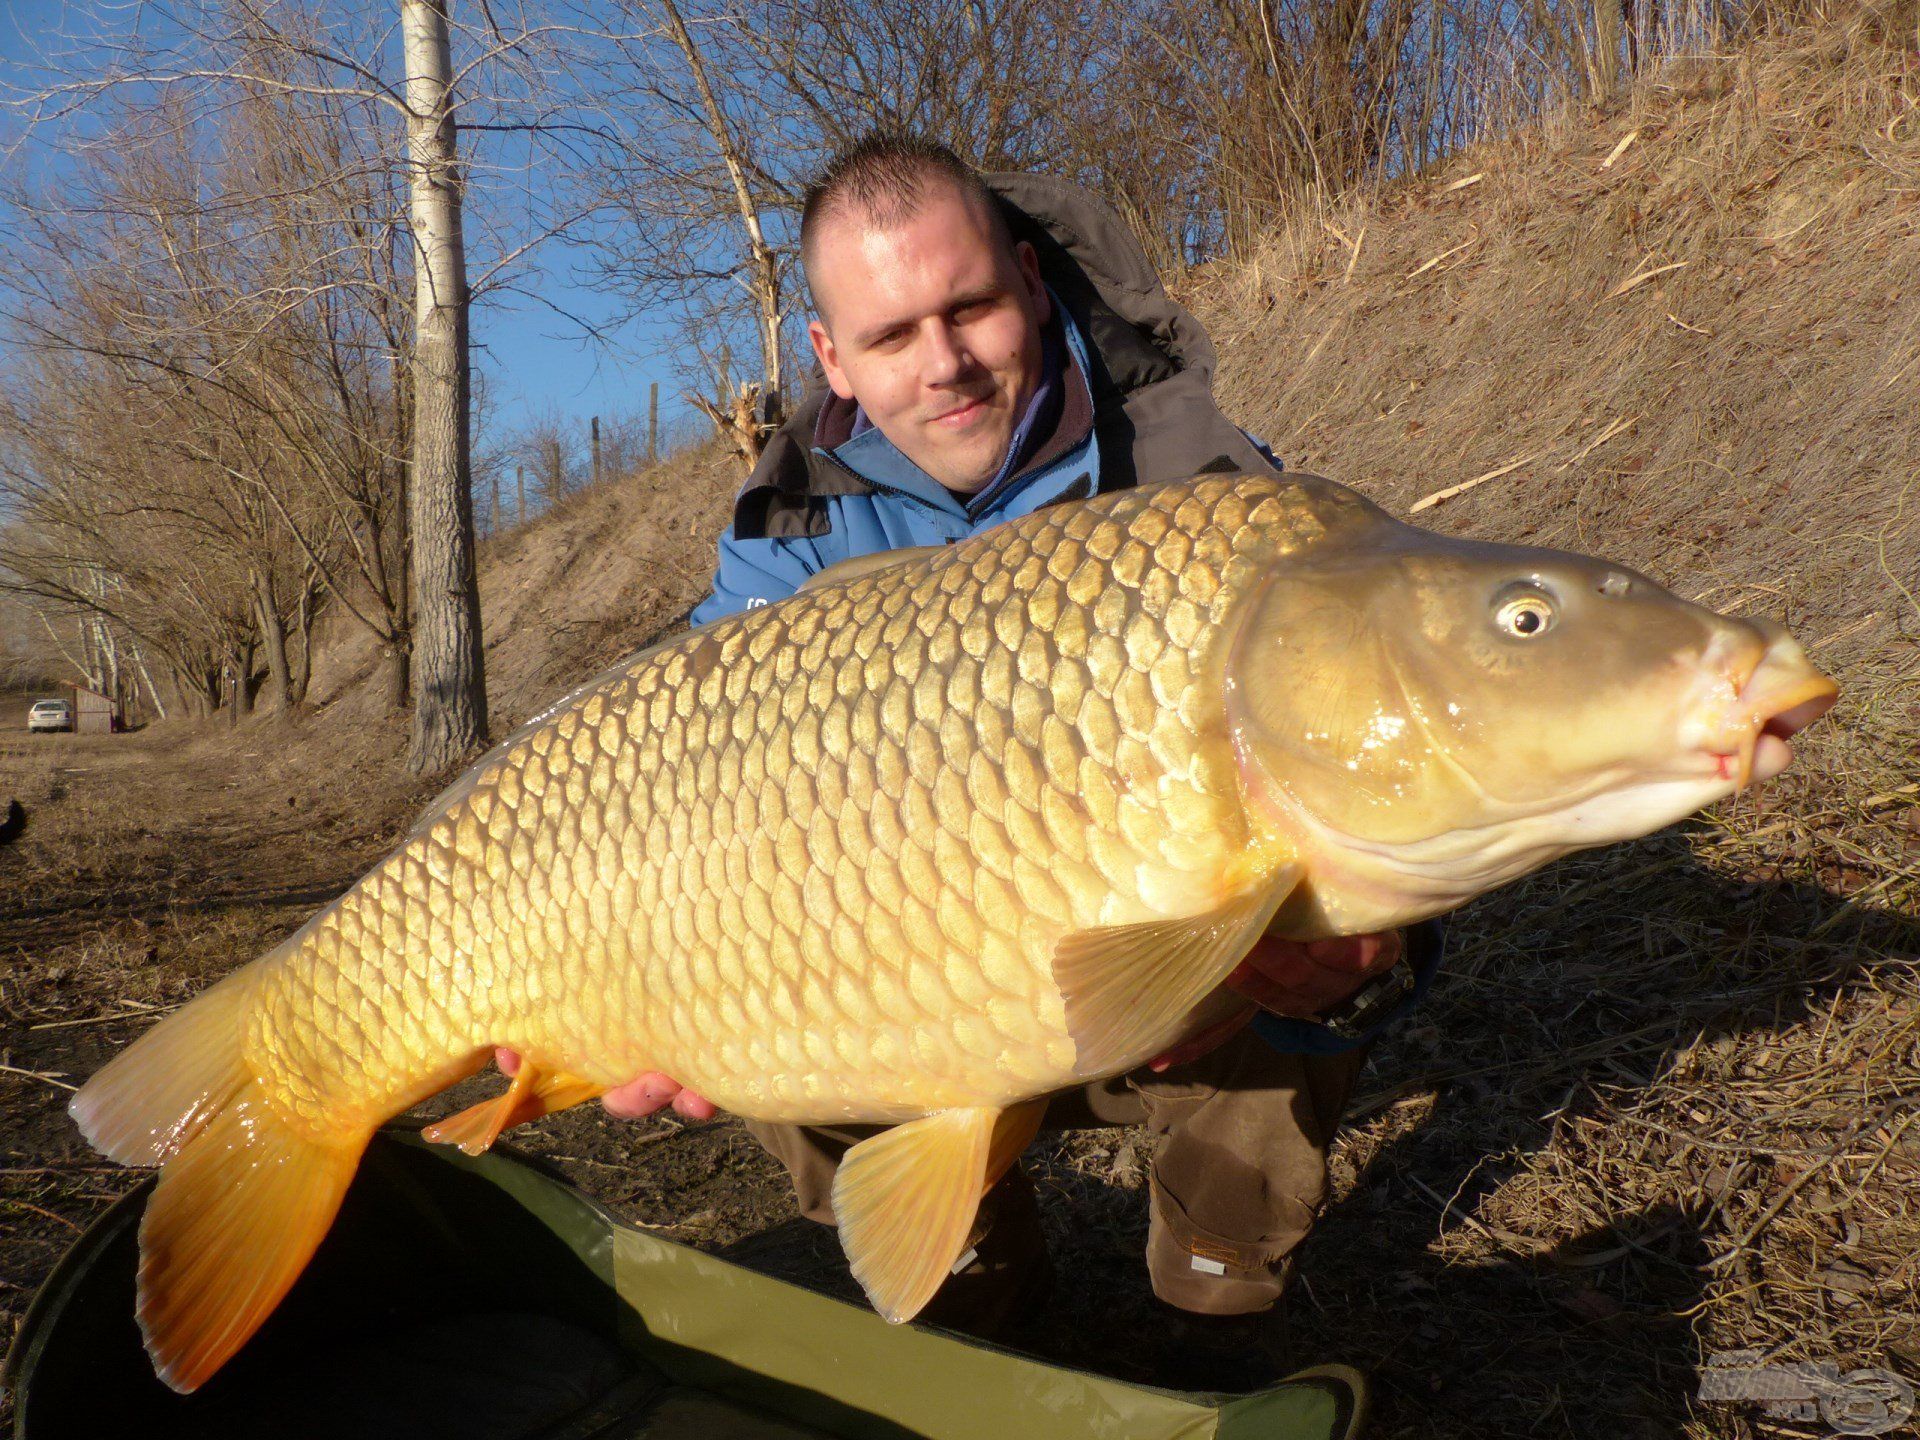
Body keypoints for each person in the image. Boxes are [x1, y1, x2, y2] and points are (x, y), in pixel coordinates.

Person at [508, 133, 1441, 1387]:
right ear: (832, 358)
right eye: (892, 336)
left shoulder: (1206, 490)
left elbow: (1392, 776)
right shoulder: (783, 546)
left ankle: (1215, 1286)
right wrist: (627, 991)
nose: (944, 365)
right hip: (927, 977)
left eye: (972, 309)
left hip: (1178, 1001)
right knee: (764, 1008)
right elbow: (682, 804)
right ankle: (975, 1312)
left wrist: (1371, 964)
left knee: (1293, 916)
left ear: (1032, 285)